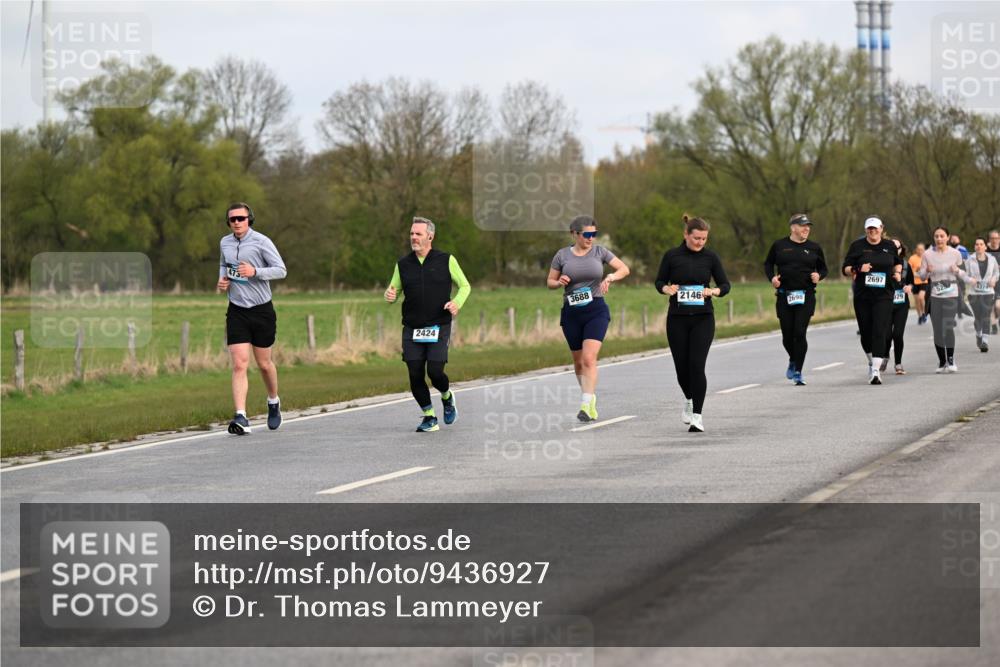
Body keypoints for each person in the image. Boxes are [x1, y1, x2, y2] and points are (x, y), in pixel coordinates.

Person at [384, 216, 471, 432]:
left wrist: (456, 303)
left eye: (418, 234)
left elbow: (465, 286)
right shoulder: (403, 264)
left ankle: (447, 396)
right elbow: (393, 291)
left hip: (438, 326)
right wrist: (389, 294)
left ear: (430, 236)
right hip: (412, 327)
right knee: (414, 372)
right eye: (412, 233)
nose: (413, 237)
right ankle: (429, 416)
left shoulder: (446, 260)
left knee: (435, 371)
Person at [547, 215, 630, 422]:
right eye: (587, 234)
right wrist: (559, 283)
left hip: (596, 310)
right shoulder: (562, 255)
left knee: (588, 358)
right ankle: (590, 398)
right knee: (577, 363)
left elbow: (624, 269)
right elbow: (550, 281)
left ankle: (585, 404)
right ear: (574, 234)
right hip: (572, 312)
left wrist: (611, 277)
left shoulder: (600, 252)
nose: (591, 238)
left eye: (594, 234)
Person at [655, 214, 730, 432]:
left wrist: (714, 290)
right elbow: (659, 281)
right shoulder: (672, 256)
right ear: (686, 235)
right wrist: (666, 289)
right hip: (677, 319)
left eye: (704, 239)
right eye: (696, 238)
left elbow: (725, 285)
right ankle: (689, 398)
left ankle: (697, 415)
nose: (700, 243)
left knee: (697, 365)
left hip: (703, 318)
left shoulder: (711, 258)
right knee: (681, 368)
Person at [216, 202, 287, 435]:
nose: (237, 222)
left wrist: (255, 272)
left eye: (241, 218)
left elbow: (281, 270)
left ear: (250, 220)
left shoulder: (262, 242)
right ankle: (241, 416)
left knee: (264, 364)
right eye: (232, 219)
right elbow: (224, 265)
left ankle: (274, 401)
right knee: (239, 364)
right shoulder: (224, 243)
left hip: (261, 310)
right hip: (237, 309)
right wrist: (223, 281)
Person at [763, 213, 828, 385]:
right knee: (787, 335)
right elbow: (768, 264)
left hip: (806, 295)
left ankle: (798, 370)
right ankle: (793, 358)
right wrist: (772, 279)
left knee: (799, 332)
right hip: (785, 295)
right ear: (793, 227)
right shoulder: (779, 245)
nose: (807, 228)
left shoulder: (814, 247)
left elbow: (824, 269)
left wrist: (818, 276)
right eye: (802, 225)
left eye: (808, 226)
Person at [841, 216, 902, 385]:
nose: (873, 231)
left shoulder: (889, 246)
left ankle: (876, 371)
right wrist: (858, 268)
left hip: (884, 295)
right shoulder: (857, 246)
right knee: (865, 331)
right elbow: (845, 269)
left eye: (875, 228)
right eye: (869, 229)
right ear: (866, 230)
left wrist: (897, 273)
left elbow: (897, 262)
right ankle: (871, 359)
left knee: (879, 330)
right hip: (863, 296)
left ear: (882, 228)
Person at [919, 227, 966, 373]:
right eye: (936, 236)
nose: (939, 239)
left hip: (951, 294)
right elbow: (921, 277)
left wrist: (957, 270)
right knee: (937, 329)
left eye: (942, 236)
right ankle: (941, 362)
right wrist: (927, 271)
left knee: (947, 326)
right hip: (934, 295)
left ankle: (951, 360)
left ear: (948, 237)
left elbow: (964, 273)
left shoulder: (955, 254)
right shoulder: (927, 254)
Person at [883, 238, 913, 375]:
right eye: (892, 247)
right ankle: (885, 355)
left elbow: (912, 283)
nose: (895, 250)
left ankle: (898, 363)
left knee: (898, 334)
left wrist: (908, 287)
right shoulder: (883, 264)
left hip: (901, 304)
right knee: (886, 334)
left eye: (898, 247)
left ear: (901, 249)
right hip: (886, 303)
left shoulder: (906, 265)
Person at [964, 237, 999, 352]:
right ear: (974, 247)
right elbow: (965, 276)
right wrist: (970, 280)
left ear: (985, 246)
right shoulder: (970, 260)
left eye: (981, 244)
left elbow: (996, 272)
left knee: (986, 315)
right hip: (974, 293)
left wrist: (994, 279)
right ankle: (978, 335)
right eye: (977, 244)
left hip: (988, 292)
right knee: (978, 317)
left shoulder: (992, 259)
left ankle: (985, 341)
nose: (979, 246)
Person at [908, 242, 928, 324]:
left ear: (924, 250)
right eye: (918, 249)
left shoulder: (926, 258)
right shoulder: (912, 258)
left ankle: (923, 313)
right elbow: (908, 269)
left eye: (922, 249)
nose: (920, 251)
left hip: (923, 281)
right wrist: (914, 273)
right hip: (914, 282)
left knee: (921, 297)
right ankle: (919, 316)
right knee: (916, 301)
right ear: (916, 250)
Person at [988, 230, 1000, 335]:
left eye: (996, 238)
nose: (994, 240)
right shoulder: (986, 250)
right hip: (989, 282)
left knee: (998, 306)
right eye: (992, 238)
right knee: (991, 306)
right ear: (989, 239)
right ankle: (994, 326)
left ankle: (997, 318)